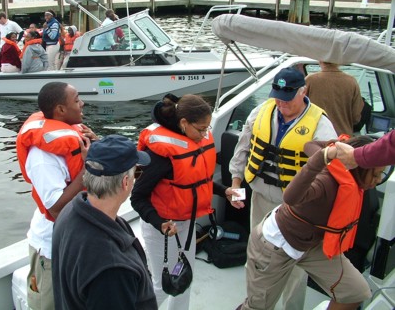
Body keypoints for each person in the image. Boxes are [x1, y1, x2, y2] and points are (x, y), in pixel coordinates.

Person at [227, 67, 337, 310]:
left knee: (294, 266)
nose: (281, 103)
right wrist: (236, 184)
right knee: (257, 255)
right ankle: (255, 304)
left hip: (296, 207)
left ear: (303, 91)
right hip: (260, 197)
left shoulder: (321, 125)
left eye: (288, 97)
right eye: (277, 95)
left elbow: (329, 174)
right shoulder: (261, 112)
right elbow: (243, 148)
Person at [239, 136, 383, 310]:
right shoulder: (325, 182)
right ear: (358, 167)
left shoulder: (351, 180)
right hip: (276, 244)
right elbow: (291, 197)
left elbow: (310, 145)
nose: (379, 180)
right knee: (257, 307)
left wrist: (334, 149)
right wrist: (325, 156)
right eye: (375, 175)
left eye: (381, 175)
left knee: (356, 292)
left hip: (312, 245)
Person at [131, 93, 229, 310]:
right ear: (184, 123)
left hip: (186, 224)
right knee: (162, 285)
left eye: (207, 129)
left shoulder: (195, 141)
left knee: (183, 277)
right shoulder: (161, 155)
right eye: (201, 129)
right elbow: (137, 197)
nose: (205, 134)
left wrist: (225, 191)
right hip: (161, 230)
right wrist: (160, 223)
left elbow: (195, 182)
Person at [52, 135, 158, 310]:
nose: (136, 178)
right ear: (125, 182)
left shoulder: (69, 212)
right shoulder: (112, 269)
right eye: (136, 172)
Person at [16, 82, 97, 310]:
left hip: (78, 236)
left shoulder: (76, 136)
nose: (82, 103)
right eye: (77, 99)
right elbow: (55, 208)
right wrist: (86, 169)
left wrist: (96, 142)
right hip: (50, 246)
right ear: (61, 110)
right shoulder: (43, 157)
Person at [306, 61, 364, 135]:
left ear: (320, 60)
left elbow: (299, 109)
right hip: (343, 138)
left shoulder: (310, 80)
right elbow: (356, 117)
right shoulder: (352, 81)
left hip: (316, 136)